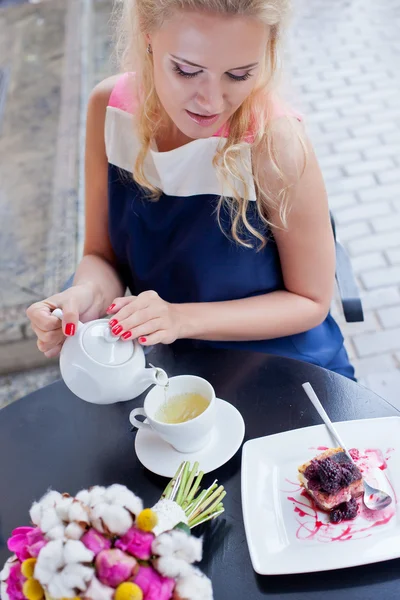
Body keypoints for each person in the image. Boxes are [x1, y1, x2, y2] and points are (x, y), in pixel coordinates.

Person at [26, 0, 355, 379]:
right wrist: (84, 296)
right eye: (186, 70)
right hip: (171, 369)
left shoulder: (275, 141)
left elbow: (311, 301)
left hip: (286, 368)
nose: (211, 102)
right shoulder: (109, 109)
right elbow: (102, 258)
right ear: (148, 38)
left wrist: (180, 318)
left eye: (239, 75)